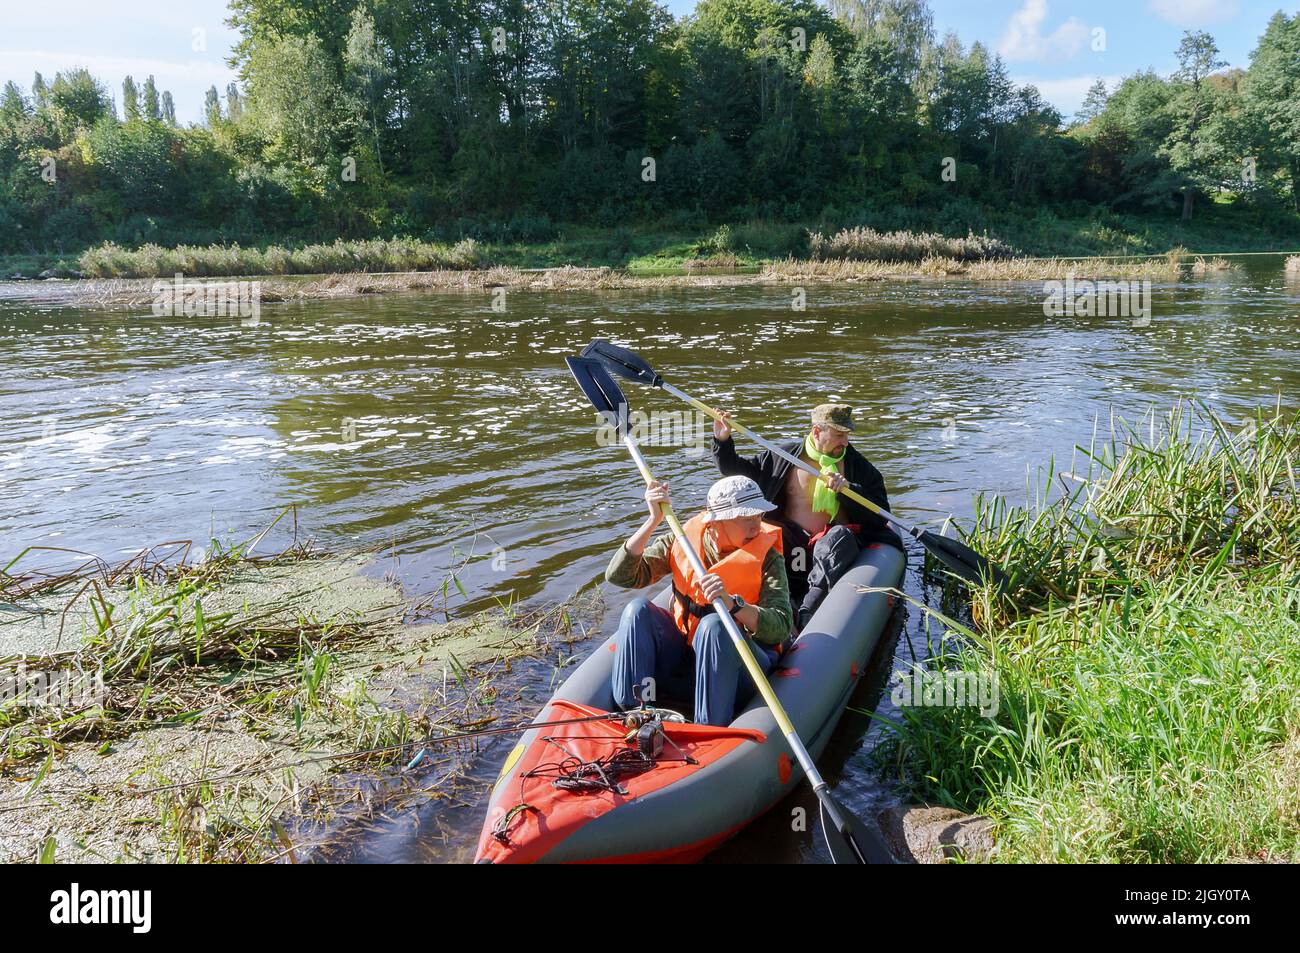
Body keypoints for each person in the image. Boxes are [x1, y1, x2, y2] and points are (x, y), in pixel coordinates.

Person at [606, 475, 794, 726]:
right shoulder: (683, 540)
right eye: (747, 518)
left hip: (740, 669)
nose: (756, 526)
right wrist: (653, 520)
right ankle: (636, 710)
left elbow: (780, 627)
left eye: (758, 517)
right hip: (686, 658)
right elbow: (620, 576)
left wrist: (734, 605)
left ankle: (708, 727)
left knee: (715, 625)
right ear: (717, 521)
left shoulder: (768, 557)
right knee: (637, 609)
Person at [712, 403, 903, 630]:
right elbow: (735, 470)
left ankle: (808, 609)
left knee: (838, 536)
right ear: (816, 432)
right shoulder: (785, 456)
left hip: (832, 550)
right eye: (838, 435)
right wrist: (722, 442)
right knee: (770, 528)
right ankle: (762, 598)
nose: (845, 442)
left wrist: (850, 491)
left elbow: (880, 514)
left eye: (847, 435)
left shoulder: (859, 467)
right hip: (794, 548)